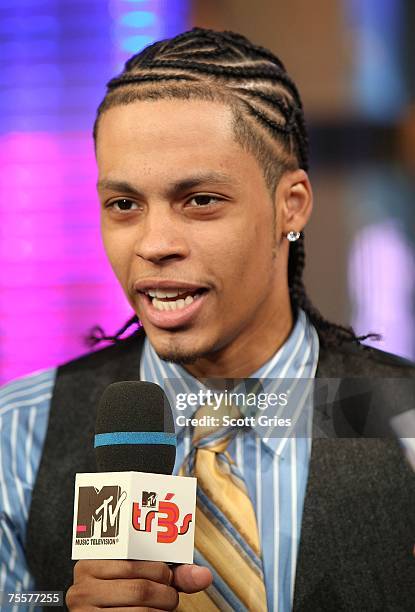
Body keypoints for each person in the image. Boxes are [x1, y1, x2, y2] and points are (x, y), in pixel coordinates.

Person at [0, 27, 414, 612]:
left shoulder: (403, 417)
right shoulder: (18, 431)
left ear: (289, 205)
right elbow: (20, 599)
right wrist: (53, 606)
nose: (154, 243)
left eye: (200, 200)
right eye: (125, 205)